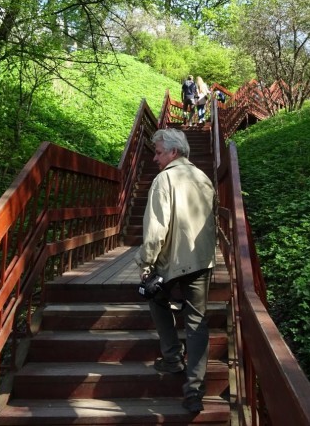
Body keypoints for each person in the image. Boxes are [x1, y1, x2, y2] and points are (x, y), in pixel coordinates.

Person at [134, 128, 217, 414]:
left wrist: (145, 264)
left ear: (173, 151)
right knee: (197, 323)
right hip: (201, 261)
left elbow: (156, 230)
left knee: (155, 299)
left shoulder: (164, 180)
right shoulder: (203, 178)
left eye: (158, 152)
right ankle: (194, 389)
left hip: (171, 262)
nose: (155, 158)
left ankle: (172, 358)